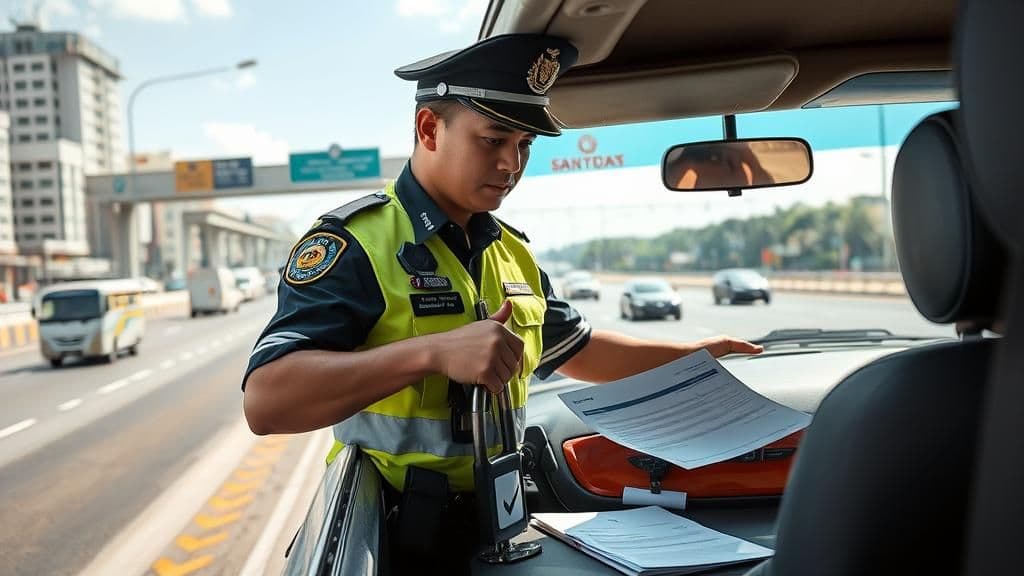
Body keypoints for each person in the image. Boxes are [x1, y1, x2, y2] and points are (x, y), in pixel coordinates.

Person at [242, 33, 763, 574]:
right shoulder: (353, 245)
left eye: (524, 145)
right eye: (493, 140)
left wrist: (697, 356)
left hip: (502, 522)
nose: (512, 164)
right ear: (428, 129)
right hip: (398, 539)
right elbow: (266, 401)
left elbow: (580, 351)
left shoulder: (509, 249)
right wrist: (432, 353)